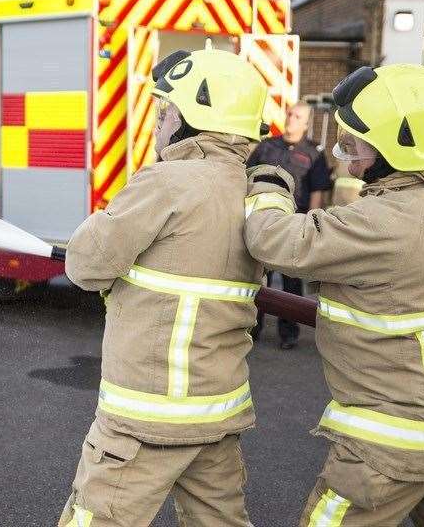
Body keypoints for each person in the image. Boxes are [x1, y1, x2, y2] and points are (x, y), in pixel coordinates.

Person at [242, 64, 424, 526]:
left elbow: (275, 241)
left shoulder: (377, 222)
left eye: (356, 146)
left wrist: (268, 188)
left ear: (400, 150)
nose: (346, 160)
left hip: (395, 438)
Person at [58, 47, 268, 527]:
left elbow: (85, 267)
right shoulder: (252, 191)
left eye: (165, 111)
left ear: (190, 118)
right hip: (217, 414)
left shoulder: (166, 182)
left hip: (145, 419)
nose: (157, 123)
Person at [248, 101, 332, 349]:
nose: (291, 118)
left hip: (294, 224)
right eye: (289, 114)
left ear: (306, 123)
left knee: (291, 281)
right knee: (258, 278)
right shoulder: (266, 147)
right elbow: (247, 177)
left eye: (297, 116)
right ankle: (254, 328)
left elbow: (317, 191)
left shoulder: (313, 153)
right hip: (261, 221)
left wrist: (312, 225)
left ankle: (288, 332)